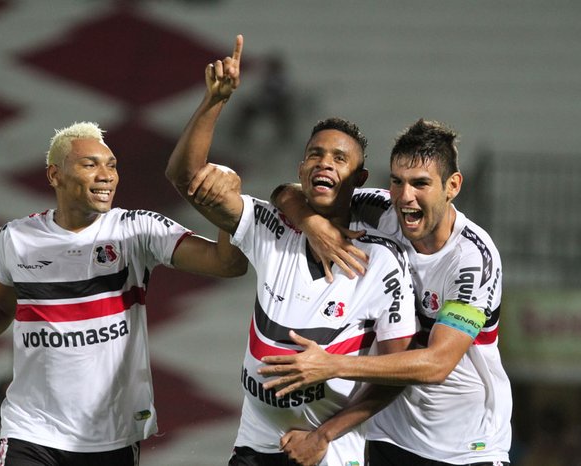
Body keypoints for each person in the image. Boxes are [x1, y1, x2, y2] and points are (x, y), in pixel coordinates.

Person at [165, 34, 417, 466]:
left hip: (328, 452)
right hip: (255, 446)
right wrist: (214, 101)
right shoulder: (273, 227)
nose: (325, 162)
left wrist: (322, 434)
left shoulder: (381, 263)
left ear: (359, 179)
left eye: (339, 158)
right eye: (315, 154)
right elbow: (185, 177)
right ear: (301, 169)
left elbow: (397, 374)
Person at [0, 121, 248, 466]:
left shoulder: (135, 229)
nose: (106, 176)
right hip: (31, 429)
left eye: (112, 166)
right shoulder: (16, 238)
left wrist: (227, 204)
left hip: (111, 436)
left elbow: (227, 263)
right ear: (55, 175)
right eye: (90, 164)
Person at [260, 119, 512, 465]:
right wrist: (312, 224)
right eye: (397, 181)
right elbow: (287, 193)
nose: (405, 197)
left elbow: (437, 364)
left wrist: (332, 365)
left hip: (465, 448)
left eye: (420, 183)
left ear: (452, 186)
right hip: (389, 439)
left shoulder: (471, 259)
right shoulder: (381, 212)